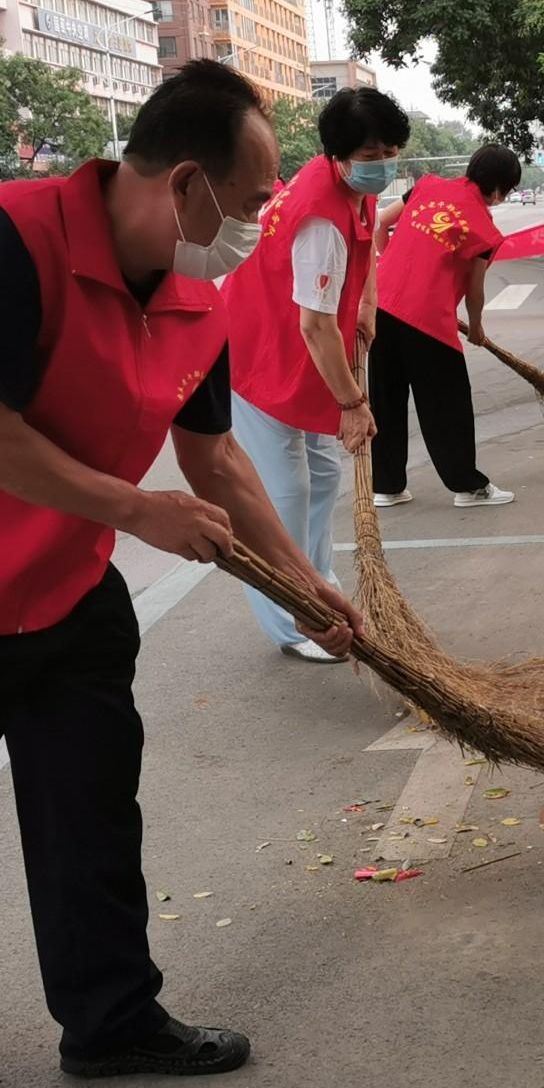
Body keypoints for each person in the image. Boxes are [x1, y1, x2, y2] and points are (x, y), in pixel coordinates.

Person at [0, 60, 363, 1088]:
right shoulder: (1, 241)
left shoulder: (198, 299)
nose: (257, 223)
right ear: (188, 183)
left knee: (91, 801)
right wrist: (136, 511)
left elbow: (218, 462)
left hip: (63, 575)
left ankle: (110, 1018)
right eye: (250, 204)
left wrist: (305, 586)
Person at [224, 86, 407, 662]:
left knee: (325, 476)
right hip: (258, 358)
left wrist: (369, 305)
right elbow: (314, 327)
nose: (381, 165)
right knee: (285, 493)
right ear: (337, 155)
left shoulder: (356, 191)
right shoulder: (319, 220)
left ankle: (318, 587)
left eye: (389, 152)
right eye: (370, 155)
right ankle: (292, 622)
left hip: (299, 357)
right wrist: (354, 404)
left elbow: (368, 246)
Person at [369, 147, 524, 508]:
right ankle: (468, 487)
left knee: (386, 399)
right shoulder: (485, 230)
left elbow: (379, 224)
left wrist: (385, 262)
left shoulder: (426, 186)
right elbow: (474, 290)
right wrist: (477, 328)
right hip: (426, 321)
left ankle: (387, 487)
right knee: (446, 404)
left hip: (381, 306)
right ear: (500, 189)